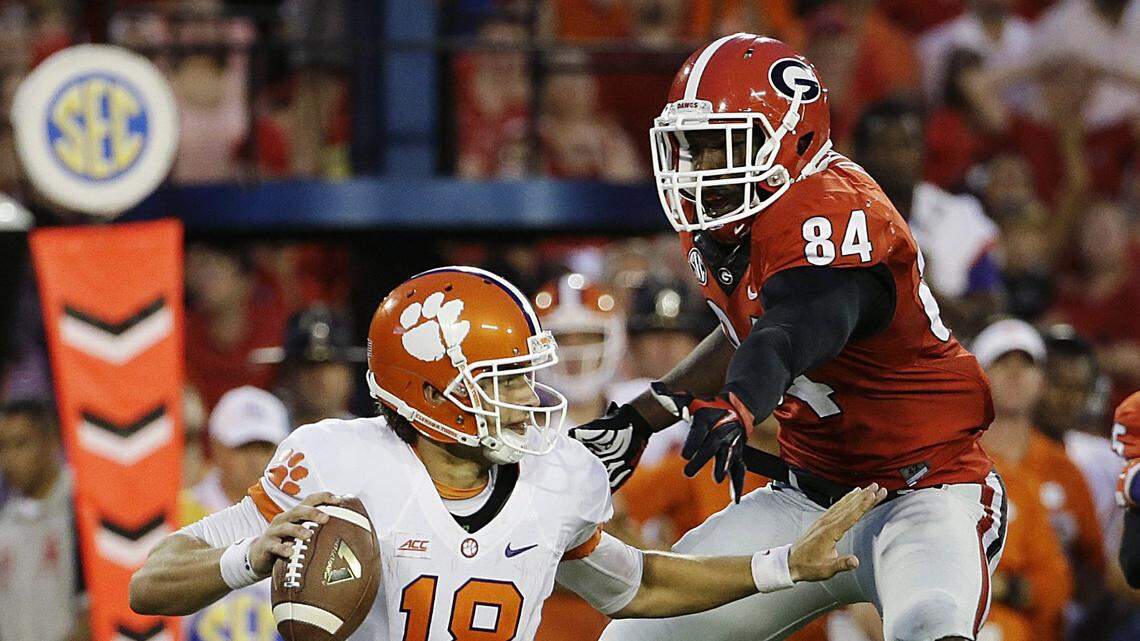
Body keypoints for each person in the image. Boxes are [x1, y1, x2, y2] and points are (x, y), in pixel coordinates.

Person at [129, 267, 887, 640]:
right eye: (505, 381)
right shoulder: (332, 460)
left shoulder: (555, 478)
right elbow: (149, 582)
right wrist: (249, 555)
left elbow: (638, 583)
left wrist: (782, 565)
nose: (530, 397)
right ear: (432, 391)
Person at [572, 35, 1006, 641]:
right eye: (692, 147)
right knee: (636, 638)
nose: (700, 169)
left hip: (925, 488)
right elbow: (744, 331)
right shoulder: (727, 219)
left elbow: (799, 324)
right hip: (804, 499)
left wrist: (741, 405)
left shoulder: (836, 210)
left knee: (931, 628)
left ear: (793, 138)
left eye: (723, 144)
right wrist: (648, 412)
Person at [852, 98, 1002, 336]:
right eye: (884, 146)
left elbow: (989, 312)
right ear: (859, 154)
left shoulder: (961, 215)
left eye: (906, 144)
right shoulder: (838, 220)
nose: (897, 157)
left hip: (949, 354)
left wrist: (923, 287)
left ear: (922, 150)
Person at [971, 319, 1076, 641]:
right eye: (1002, 364)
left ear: (1042, 380)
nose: (1015, 374)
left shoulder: (1064, 467)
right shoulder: (943, 462)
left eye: (1025, 364)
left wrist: (1011, 588)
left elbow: (1066, 577)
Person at [181, 386, 291, 641]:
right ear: (217, 447)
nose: (255, 460)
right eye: (244, 447)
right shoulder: (181, 512)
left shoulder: (299, 520)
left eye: (264, 448)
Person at [0, 399, 88, 641]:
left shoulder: (81, 513)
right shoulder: (5, 524)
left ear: (52, 443)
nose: (8, 459)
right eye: (2, 447)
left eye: (21, 444)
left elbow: (94, 609)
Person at [532, 273, 626, 424]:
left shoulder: (646, 406)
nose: (574, 352)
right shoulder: (528, 433)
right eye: (560, 340)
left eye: (587, 338)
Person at [253, 304, 364, 427]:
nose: (319, 376)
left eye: (329, 364)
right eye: (308, 365)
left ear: (349, 373)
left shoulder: (368, 439)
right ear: (287, 373)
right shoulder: (261, 435)